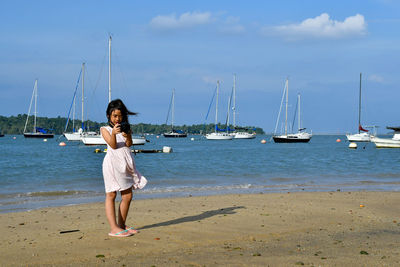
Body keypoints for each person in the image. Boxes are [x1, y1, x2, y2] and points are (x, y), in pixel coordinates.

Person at [100, 99, 147, 237]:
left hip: (125, 165)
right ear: (109, 115)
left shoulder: (125, 128)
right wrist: (114, 133)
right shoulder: (105, 129)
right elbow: (113, 145)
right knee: (111, 194)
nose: (117, 119)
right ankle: (113, 228)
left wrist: (128, 135)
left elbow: (128, 144)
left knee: (127, 195)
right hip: (112, 165)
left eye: (120, 116)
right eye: (115, 116)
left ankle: (121, 225)